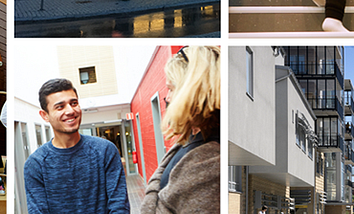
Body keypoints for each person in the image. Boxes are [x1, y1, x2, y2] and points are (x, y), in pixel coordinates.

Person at [24, 78, 130, 214]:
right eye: (60, 107)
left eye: (74, 103)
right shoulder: (36, 164)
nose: (70, 111)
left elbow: (119, 206)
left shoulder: (105, 151)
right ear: (45, 115)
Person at [141, 46, 220, 214]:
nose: (167, 98)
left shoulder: (210, 160)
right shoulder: (191, 139)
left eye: (170, 89)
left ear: (191, 91)